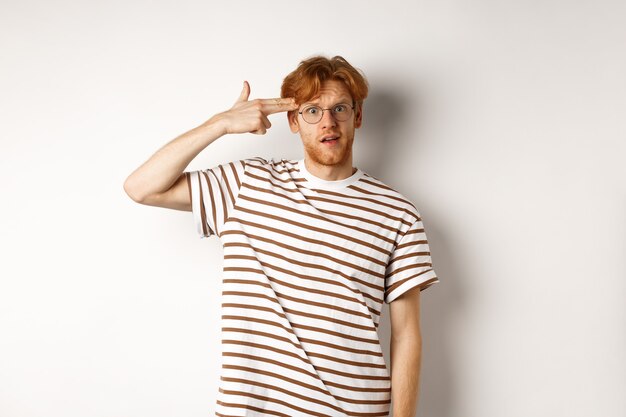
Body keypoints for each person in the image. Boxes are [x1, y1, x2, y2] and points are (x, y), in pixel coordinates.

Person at [124, 55, 439, 417]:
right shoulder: (247, 184)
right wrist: (220, 124)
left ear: (359, 116)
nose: (328, 123)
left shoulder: (397, 213)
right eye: (312, 111)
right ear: (293, 120)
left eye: (339, 108)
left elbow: (407, 335)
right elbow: (141, 188)